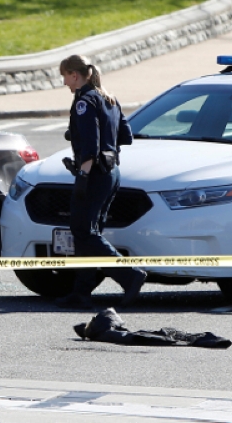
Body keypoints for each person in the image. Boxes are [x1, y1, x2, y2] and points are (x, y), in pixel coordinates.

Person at [55, 54, 145, 310]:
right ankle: (82, 292)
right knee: (88, 234)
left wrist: (83, 176)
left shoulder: (84, 101)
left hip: (93, 173)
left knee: (83, 230)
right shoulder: (109, 98)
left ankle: (130, 275)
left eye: (65, 76)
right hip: (112, 171)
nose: (64, 83)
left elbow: (91, 147)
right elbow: (126, 136)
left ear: (75, 75)